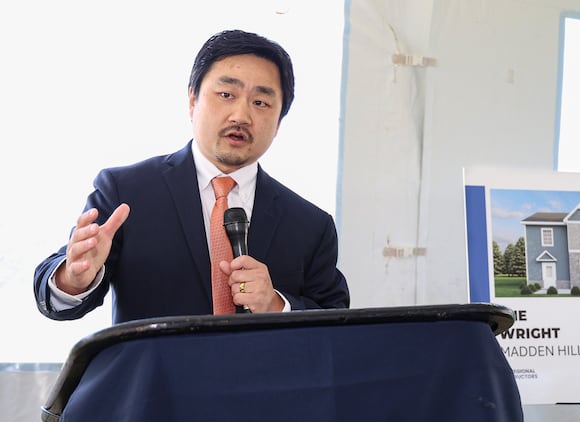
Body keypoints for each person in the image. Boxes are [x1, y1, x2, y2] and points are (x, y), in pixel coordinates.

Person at [33, 30, 350, 324]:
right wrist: (73, 280)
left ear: (279, 121)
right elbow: (59, 290)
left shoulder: (310, 225)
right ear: (192, 100)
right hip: (158, 383)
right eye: (226, 94)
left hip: (262, 384)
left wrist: (275, 305)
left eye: (261, 102)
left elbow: (336, 321)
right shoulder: (127, 192)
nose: (241, 115)